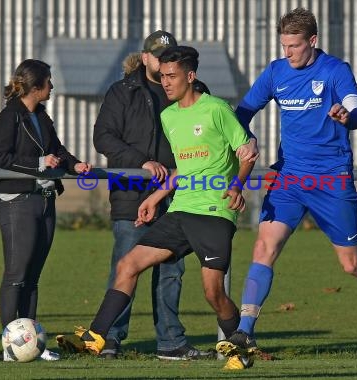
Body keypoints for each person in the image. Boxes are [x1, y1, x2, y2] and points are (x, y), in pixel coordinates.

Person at [216, 7, 357, 369]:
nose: (287, 52)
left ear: (313, 41)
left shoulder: (336, 70)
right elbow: (242, 112)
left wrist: (346, 117)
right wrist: (245, 138)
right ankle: (245, 331)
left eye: (294, 45)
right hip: (290, 176)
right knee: (263, 245)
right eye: (283, 45)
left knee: (352, 264)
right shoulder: (276, 71)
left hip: (331, 179)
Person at [56, 46, 255, 364]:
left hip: (214, 212)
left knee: (212, 293)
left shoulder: (217, 109)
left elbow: (247, 151)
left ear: (190, 76)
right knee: (127, 265)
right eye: (162, 76)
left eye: (172, 76)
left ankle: (242, 346)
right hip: (180, 211)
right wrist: (155, 197)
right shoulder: (169, 116)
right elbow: (184, 169)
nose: (166, 82)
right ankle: (95, 337)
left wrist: (236, 185)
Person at [92, 30, 213, 360]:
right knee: (126, 265)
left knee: (172, 269)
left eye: (169, 56)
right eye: (158, 56)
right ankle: (111, 338)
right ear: (144, 58)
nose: (163, 63)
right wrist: (141, 162)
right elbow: (103, 137)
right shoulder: (122, 93)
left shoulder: (190, 92)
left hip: (177, 195)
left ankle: (171, 342)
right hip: (133, 193)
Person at [0, 59, 92, 362]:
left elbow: (57, 151)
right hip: (18, 203)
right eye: (49, 81)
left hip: (44, 200)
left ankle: (32, 343)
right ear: (36, 87)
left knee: (32, 277)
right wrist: (38, 165)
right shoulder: (9, 118)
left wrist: (75, 165)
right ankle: (11, 346)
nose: (52, 87)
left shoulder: (42, 117)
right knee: (16, 275)